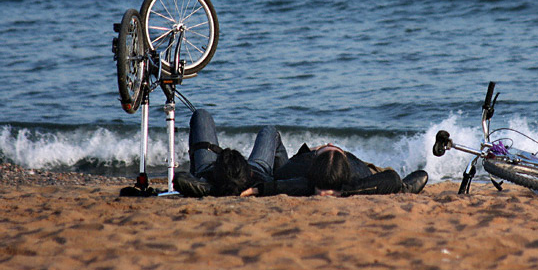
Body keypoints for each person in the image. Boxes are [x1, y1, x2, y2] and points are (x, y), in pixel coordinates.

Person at [173, 109, 428, 198]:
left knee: (204, 116)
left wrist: (263, 188)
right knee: (270, 132)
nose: (326, 144)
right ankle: (214, 185)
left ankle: (211, 185)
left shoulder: (309, 179)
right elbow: (393, 180)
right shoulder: (349, 176)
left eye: (327, 147)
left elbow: (297, 185)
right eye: (330, 146)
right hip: (259, 175)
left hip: (250, 175)